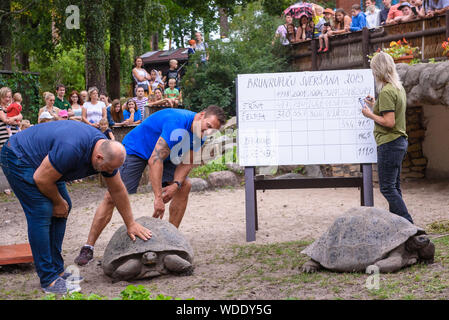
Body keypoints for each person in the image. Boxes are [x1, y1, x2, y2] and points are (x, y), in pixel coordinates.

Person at [0, 120, 152, 294]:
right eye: (108, 169)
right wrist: (57, 202)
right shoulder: (71, 149)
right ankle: (48, 279)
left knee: (65, 207)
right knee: (42, 210)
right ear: (99, 158)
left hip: (43, 162)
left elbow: (117, 190)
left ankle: (57, 270)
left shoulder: (106, 152)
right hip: (18, 155)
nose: (108, 173)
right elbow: (42, 178)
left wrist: (130, 223)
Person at [74, 105, 225, 266]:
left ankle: (170, 243)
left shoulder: (200, 134)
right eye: (208, 126)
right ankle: (88, 247)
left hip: (166, 156)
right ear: (201, 115)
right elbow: (155, 159)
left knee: (184, 187)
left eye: (211, 131)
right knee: (112, 196)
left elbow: (187, 162)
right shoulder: (177, 122)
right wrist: (158, 197)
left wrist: (175, 184)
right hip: (137, 149)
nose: (207, 133)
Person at [361, 51, 413, 224]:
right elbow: (391, 112)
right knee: (394, 187)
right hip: (399, 142)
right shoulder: (397, 88)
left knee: (387, 188)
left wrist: (369, 115)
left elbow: (389, 122)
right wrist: (375, 105)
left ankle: (408, 223)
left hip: (390, 143)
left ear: (378, 70)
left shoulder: (386, 92)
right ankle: (399, 225)